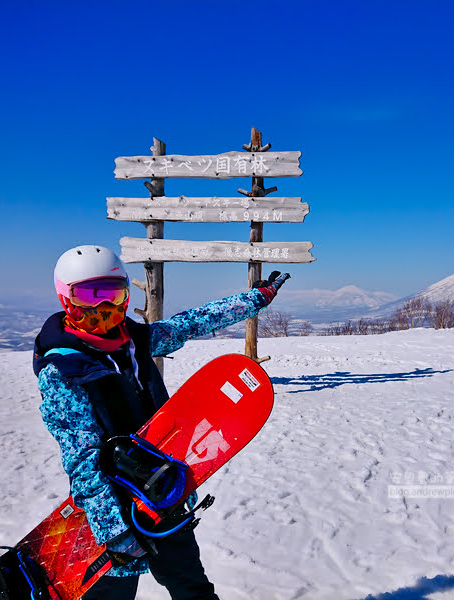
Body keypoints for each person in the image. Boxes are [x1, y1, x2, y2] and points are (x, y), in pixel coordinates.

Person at [33, 245, 289, 600]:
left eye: (112, 294)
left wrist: (255, 299)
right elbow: (81, 457)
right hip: (115, 515)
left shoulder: (135, 340)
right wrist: (114, 531)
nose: (103, 310)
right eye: (90, 297)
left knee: (192, 589)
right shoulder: (63, 370)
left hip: (162, 491)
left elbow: (193, 321)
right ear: (66, 299)